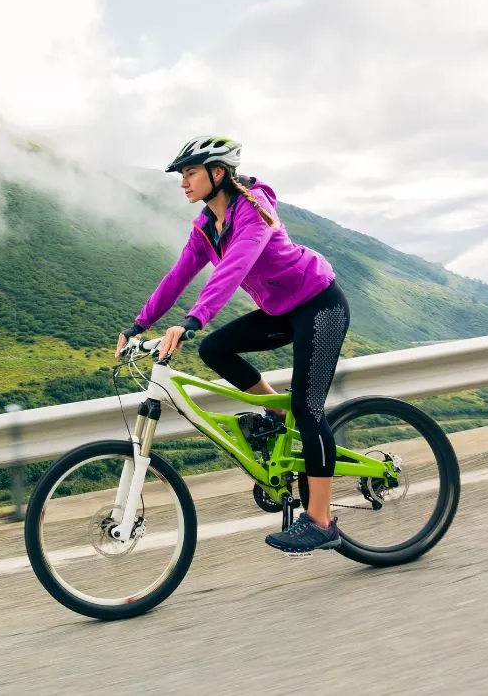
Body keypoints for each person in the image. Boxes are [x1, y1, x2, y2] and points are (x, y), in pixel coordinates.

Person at [115, 135, 351, 554]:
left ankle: (321, 519)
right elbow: (178, 276)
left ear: (217, 173)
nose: (183, 182)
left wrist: (191, 322)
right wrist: (139, 324)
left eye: (190, 173)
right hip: (282, 311)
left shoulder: (254, 211)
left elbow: (235, 267)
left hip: (319, 304)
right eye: (182, 175)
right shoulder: (207, 225)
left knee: (308, 408)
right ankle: (274, 417)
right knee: (215, 349)